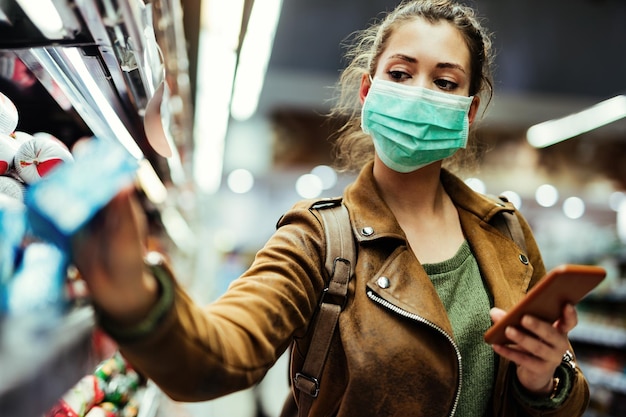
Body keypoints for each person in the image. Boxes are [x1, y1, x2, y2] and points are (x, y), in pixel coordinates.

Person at [71, 0, 591, 416]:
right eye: (401, 73)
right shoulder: (319, 237)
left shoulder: (507, 234)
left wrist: (542, 381)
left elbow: (559, 394)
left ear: (470, 111)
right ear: (368, 92)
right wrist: (139, 301)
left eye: (446, 82)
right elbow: (225, 352)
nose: (419, 94)